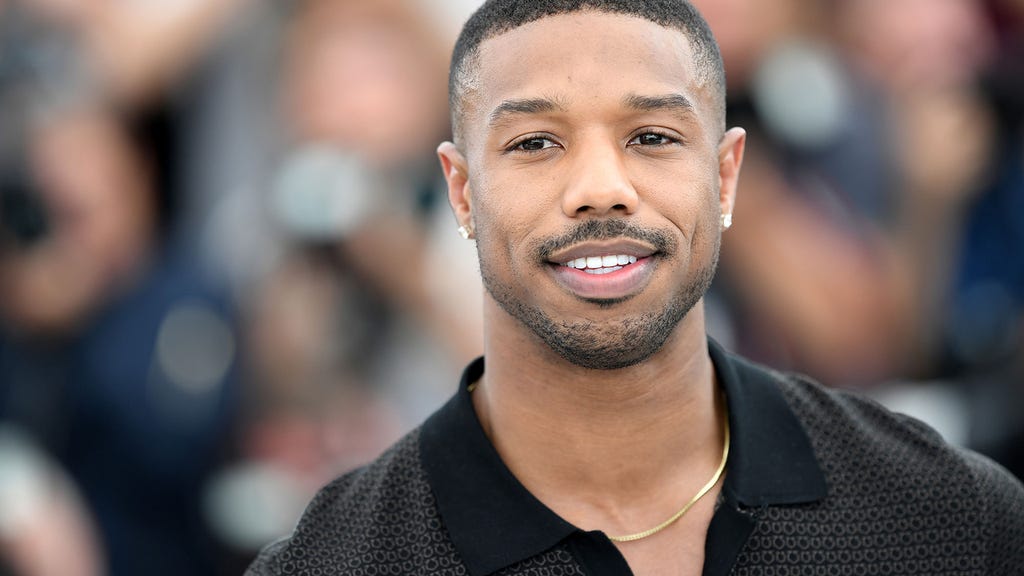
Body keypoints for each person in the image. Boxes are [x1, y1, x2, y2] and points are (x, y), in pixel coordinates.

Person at [246, 1, 1024, 574]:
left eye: (651, 137)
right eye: (535, 143)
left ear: (725, 176)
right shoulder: (331, 564)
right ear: (461, 192)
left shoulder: (951, 517)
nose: (600, 188)